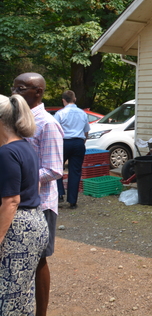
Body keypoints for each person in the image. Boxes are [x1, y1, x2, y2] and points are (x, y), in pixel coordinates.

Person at [12, 72, 63, 316]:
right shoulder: (15, 120)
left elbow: (54, 170)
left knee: (39, 259)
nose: (14, 93)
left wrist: (19, 177)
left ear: (38, 92)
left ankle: (41, 312)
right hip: (17, 203)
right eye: (13, 88)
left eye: (20, 89)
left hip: (41, 205)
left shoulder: (47, 124)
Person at [0, 94, 50, 316]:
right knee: (21, 293)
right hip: (35, 220)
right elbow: (35, 185)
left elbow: (11, 201)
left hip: (18, 228)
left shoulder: (7, 152)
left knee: (9, 296)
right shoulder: (25, 146)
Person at [54, 90, 90, 209]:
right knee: (75, 171)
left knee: (57, 168)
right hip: (78, 142)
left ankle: (59, 193)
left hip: (63, 142)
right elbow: (86, 131)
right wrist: (82, 142)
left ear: (63, 100)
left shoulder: (60, 114)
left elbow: (55, 131)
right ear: (75, 99)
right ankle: (72, 201)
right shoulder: (83, 113)